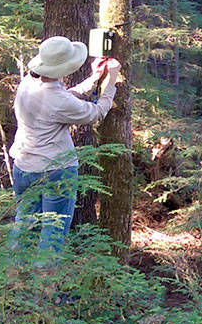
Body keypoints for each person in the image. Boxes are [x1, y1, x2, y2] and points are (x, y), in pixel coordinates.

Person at [8, 36, 120, 259]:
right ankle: (45, 289)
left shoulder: (28, 83)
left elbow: (63, 99)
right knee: (53, 231)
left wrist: (94, 77)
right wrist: (111, 83)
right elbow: (95, 113)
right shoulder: (57, 99)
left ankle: (15, 280)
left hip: (23, 166)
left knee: (24, 224)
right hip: (55, 171)